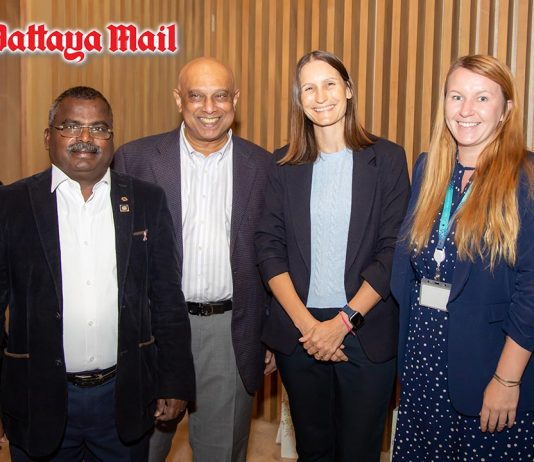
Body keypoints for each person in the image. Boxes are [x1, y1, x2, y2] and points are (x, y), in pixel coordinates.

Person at [0, 86, 195, 461]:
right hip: (37, 396)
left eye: (99, 128)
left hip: (123, 396)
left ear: (112, 138)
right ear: (48, 136)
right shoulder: (11, 204)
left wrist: (174, 380)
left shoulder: (146, 200)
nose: (86, 138)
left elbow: (167, 298)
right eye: (71, 126)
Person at [113, 57, 273, 462]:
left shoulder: (264, 166)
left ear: (235, 99)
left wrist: (270, 332)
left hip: (230, 333)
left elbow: (274, 253)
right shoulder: (135, 160)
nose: (209, 107)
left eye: (220, 96)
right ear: (178, 99)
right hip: (153, 330)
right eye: (196, 96)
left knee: (222, 453)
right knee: (141, 450)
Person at [255, 50, 410, 462]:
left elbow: (393, 250)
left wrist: (342, 323)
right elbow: (269, 248)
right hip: (300, 332)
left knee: (359, 451)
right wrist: (310, 327)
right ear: (299, 99)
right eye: (309, 88)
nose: (320, 96)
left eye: (330, 84)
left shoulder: (387, 159)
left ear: (349, 89)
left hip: (365, 327)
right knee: (313, 449)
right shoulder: (282, 163)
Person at [391, 55, 534, 461]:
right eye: (456, 97)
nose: (466, 110)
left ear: (506, 110)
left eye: (482, 98)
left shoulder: (526, 177)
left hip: (489, 366)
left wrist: (507, 380)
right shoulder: (428, 169)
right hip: (423, 361)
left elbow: (531, 290)